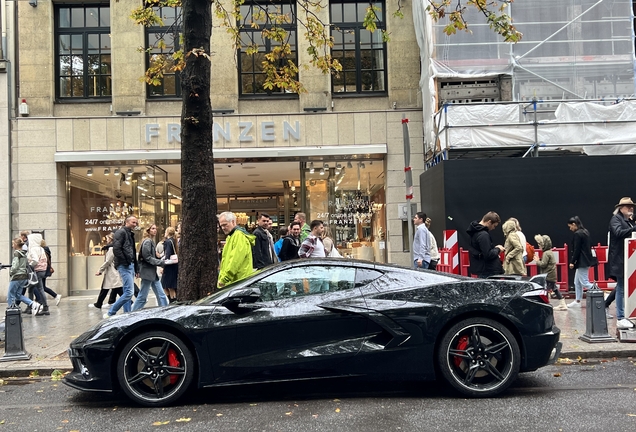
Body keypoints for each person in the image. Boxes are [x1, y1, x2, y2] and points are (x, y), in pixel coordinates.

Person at [607, 197, 636, 328]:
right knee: (621, 288)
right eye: (628, 206)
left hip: (626, 259)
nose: (631, 208)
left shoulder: (627, 221)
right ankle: (620, 316)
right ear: (620, 208)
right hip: (619, 259)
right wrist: (633, 229)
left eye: (632, 206)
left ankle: (607, 305)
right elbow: (618, 233)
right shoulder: (616, 219)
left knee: (621, 287)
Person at [104, 215, 139, 318]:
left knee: (127, 290)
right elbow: (117, 249)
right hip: (125, 265)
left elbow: (132, 251)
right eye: (133, 222)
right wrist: (126, 262)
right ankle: (111, 312)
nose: (135, 224)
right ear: (126, 222)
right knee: (129, 292)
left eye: (136, 222)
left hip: (129, 265)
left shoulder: (129, 234)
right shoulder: (121, 233)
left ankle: (127, 313)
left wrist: (135, 267)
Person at [132, 224, 170, 311]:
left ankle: (164, 312)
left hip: (151, 272)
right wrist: (161, 262)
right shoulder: (148, 241)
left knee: (161, 295)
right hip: (147, 272)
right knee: (142, 297)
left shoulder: (149, 241)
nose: (155, 230)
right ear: (148, 230)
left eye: (155, 229)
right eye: (152, 229)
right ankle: (131, 313)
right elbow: (147, 257)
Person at [218, 211, 255, 288]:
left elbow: (235, 260)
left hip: (238, 282)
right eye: (221, 226)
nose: (223, 228)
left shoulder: (238, 236)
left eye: (225, 225)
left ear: (233, 222)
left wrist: (224, 279)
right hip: (235, 282)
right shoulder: (231, 236)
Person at [7, 237, 43, 316]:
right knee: (18, 295)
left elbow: (15, 266)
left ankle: (11, 314)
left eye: (13, 244)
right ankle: (33, 304)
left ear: (16, 245)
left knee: (10, 295)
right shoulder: (24, 253)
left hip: (16, 277)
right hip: (24, 277)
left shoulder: (16, 253)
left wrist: (11, 272)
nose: (12, 246)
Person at [567, 216, 595, 309]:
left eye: (570, 226)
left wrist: (572, 261)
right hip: (586, 260)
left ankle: (601, 292)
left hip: (581, 261)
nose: (570, 229)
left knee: (584, 282)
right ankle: (577, 301)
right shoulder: (585, 232)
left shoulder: (578, 234)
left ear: (574, 224)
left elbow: (576, 249)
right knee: (577, 282)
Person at [466, 211, 504, 278]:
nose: (493, 228)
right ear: (489, 222)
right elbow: (488, 254)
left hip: (481, 268)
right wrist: (498, 249)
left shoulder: (474, 232)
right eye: (494, 225)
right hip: (488, 270)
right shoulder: (483, 235)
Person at [534, 234, 567, 311]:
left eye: (539, 244)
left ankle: (545, 305)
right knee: (554, 289)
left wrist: (537, 261)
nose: (538, 245)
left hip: (548, 275)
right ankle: (562, 304)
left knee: (545, 290)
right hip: (551, 275)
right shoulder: (549, 252)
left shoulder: (546, 253)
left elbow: (543, 264)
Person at [91, 233, 123, 309]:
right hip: (111, 272)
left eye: (108, 238)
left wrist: (100, 270)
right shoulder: (113, 248)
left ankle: (129, 302)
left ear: (111, 239)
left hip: (112, 272)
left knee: (118, 289)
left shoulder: (111, 249)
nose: (106, 240)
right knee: (105, 289)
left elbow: (108, 261)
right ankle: (99, 303)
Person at [26, 232, 50, 315]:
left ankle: (41, 307)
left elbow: (35, 260)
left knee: (38, 289)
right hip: (42, 270)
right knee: (32, 289)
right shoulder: (41, 248)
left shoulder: (33, 249)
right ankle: (32, 306)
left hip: (36, 271)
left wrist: (29, 265)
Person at [40, 239, 62, 306]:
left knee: (41, 287)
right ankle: (55, 296)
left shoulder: (43, 251)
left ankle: (55, 296)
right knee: (41, 287)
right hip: (45, 269)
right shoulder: (46, 250)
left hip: (43, 269)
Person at [161, 227, 179, 302]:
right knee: (171, 285)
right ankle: (173, 299)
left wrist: (163, 266)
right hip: (174, 265)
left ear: (167, 232)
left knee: (166, 285)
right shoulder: (174, 241)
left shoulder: (168, 242)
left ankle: (172, 301)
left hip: (169, 266)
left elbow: (168, 254)